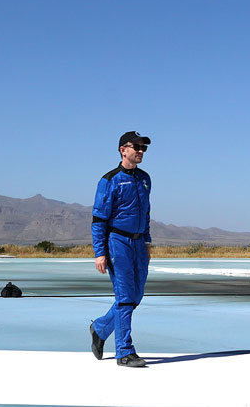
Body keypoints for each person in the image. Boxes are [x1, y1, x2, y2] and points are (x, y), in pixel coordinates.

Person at [89, 131, 152, 367]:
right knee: (125, 297)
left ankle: (100, 327)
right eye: (136, 146)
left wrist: (147, 242)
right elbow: (98, 219)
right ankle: (125, 351)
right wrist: (100, 252)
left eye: (143, 147)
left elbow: (146, 213)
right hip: (118, 242)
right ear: (122, 150)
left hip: (138, 244)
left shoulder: (145, 179)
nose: (140, 150)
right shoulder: (110, 180)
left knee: (135, 296)